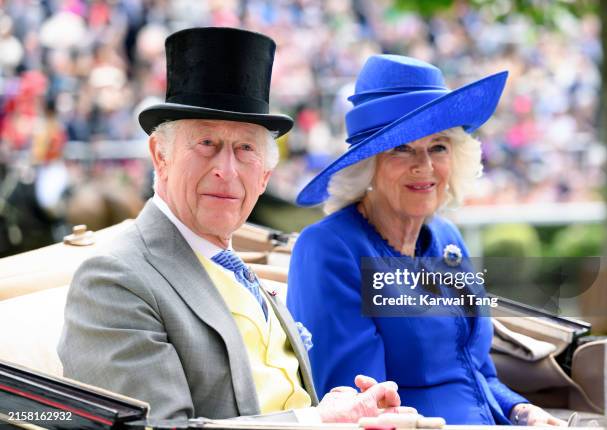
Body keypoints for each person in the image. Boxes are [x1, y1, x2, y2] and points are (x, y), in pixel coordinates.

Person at [58, 28, 404, 423]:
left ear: (265, 176)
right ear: (161, 156)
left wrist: (337, 409)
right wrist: (317, 422)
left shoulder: (232, 265)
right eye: (206, 144)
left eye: (245, 149)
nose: (226, 171)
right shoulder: (114, 281)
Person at [287, 54, 565, 426]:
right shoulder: (330, 248)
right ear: (366, 165)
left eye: (438, 146)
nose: (425, 166)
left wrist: (521, 410)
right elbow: (362, 405)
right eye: (402, 148)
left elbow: (476, 371)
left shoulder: (446, 237)